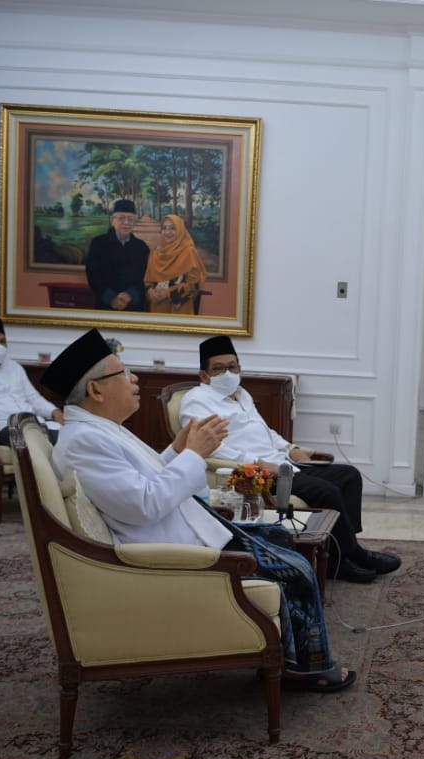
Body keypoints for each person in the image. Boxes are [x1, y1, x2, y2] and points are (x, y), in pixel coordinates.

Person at [42, 328, 356, 692]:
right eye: (124, 373)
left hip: (184, 530)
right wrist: (194, 453)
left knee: (280, 536)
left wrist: (176, 450)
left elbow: (145, 481)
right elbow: (145, 504)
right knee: (296, 568)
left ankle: (286, 653)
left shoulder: (100, 430)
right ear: (96, 390)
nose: (134, 378)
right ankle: (306, 668)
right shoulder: (85, 441)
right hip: (169, 551)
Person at [179, 335, 401, 584]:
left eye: (232, 366)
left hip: (284, 464)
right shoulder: (197, 401)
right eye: (219, 369)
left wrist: (290, 447)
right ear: (204, 376)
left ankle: (348, 551)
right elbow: (208, 448)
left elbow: (265, 432)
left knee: (348, 476)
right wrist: (257, 464)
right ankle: (346, 560)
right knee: (326, 491)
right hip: (257, 476)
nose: (228, 373)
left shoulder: (242, 395)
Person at [84, 200, 149, 311]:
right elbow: (93, 276)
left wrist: (130, 295)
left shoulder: (142, 247)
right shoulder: (98, 243)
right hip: (105, 306)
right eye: (121, 218)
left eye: (130, 219)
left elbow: (146, 278)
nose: (126, 222)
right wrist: (111, 299)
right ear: (112, 220)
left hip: (134, 307)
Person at [144, 214, 206, 314]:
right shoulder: (155, 252)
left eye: (173, 228)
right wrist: (150, 291)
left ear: (180, 230)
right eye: (164, 228)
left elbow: (194, 285)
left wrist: (167, 293)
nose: (167, 232)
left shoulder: (189, 252)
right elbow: (148, 280)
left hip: (180, 308)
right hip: (157, 307)